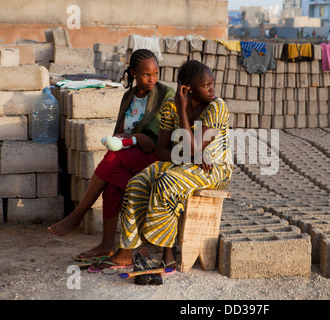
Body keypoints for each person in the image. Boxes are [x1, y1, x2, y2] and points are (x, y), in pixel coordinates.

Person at [88, 60, 233, 272]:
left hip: (213, 169)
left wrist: (183, 112)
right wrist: (188, 156)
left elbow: (193, 146)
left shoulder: (216, 107)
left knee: (167, 183)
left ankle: (166, 253)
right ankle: (125, 253)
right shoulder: (170, 107)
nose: (212, 89)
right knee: (137, 182)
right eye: (206, 85)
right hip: (181, 162)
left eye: (212, 83)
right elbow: (162, 150)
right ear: (187, 88)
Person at [47, 49, 175, 261]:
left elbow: (156, 138)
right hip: (132, 155)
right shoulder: (128, 97)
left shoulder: (165, 94)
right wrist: (125, 137)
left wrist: (135, 138)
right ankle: (107, 246)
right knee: (112, 183)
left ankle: (77, 215)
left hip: (155, 156)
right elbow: (123, 131)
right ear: (134, 73)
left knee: (112, 159)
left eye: (155, 73)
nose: (152, 79)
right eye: (146, 74)